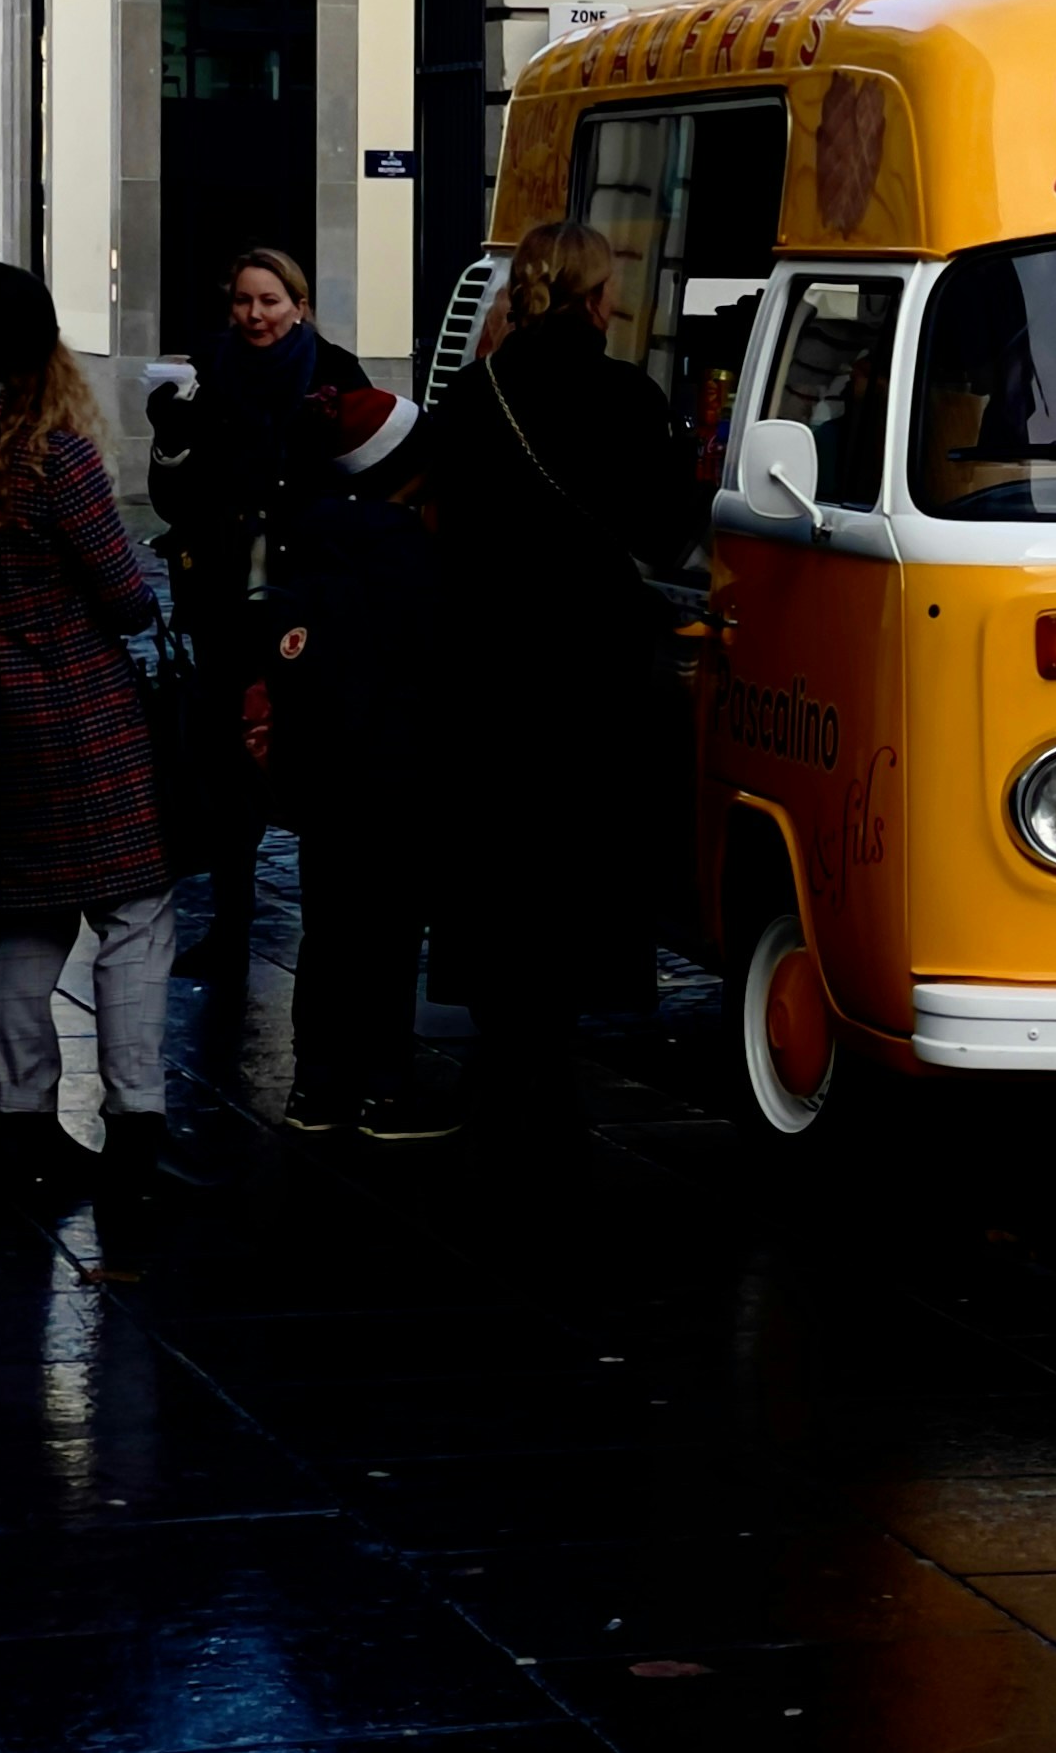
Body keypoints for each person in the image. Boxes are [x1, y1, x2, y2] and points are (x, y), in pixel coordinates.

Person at [0, 265, 173, 1228]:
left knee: (21, 917)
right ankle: (136, 1120)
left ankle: (22, 1125)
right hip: (80, 712)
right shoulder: (47, 452)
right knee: (136, 908)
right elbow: (125, 591)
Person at [428, 223, 693, 1124]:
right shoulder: (628, 396)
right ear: (595, 297)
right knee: (578, 847)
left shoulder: (472, 396)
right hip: (590, 661)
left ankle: (503, 1033)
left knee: (496, 849)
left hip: (486, 656)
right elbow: (665, 530)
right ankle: (552, 1034)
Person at [145, 247, 369, 982]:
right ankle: (232, 924)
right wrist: (171, 442)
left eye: (269, 300)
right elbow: (174, 497)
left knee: (311, 758)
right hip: (221, 597)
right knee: (225, 761)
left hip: (309, 601)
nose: (254, 314)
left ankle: (330, 933)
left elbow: (366, 482)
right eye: (243, 300)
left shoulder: (335, 371)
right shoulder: (208, 373)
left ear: (299, 304)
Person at [248, 388, 455, 1141]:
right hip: (393, 765)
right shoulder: (407, 550)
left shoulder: (309, 534)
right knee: (390, 928)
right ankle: (384, 1086)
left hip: (324, 765)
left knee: (329, 923)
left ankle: (316, 1081)